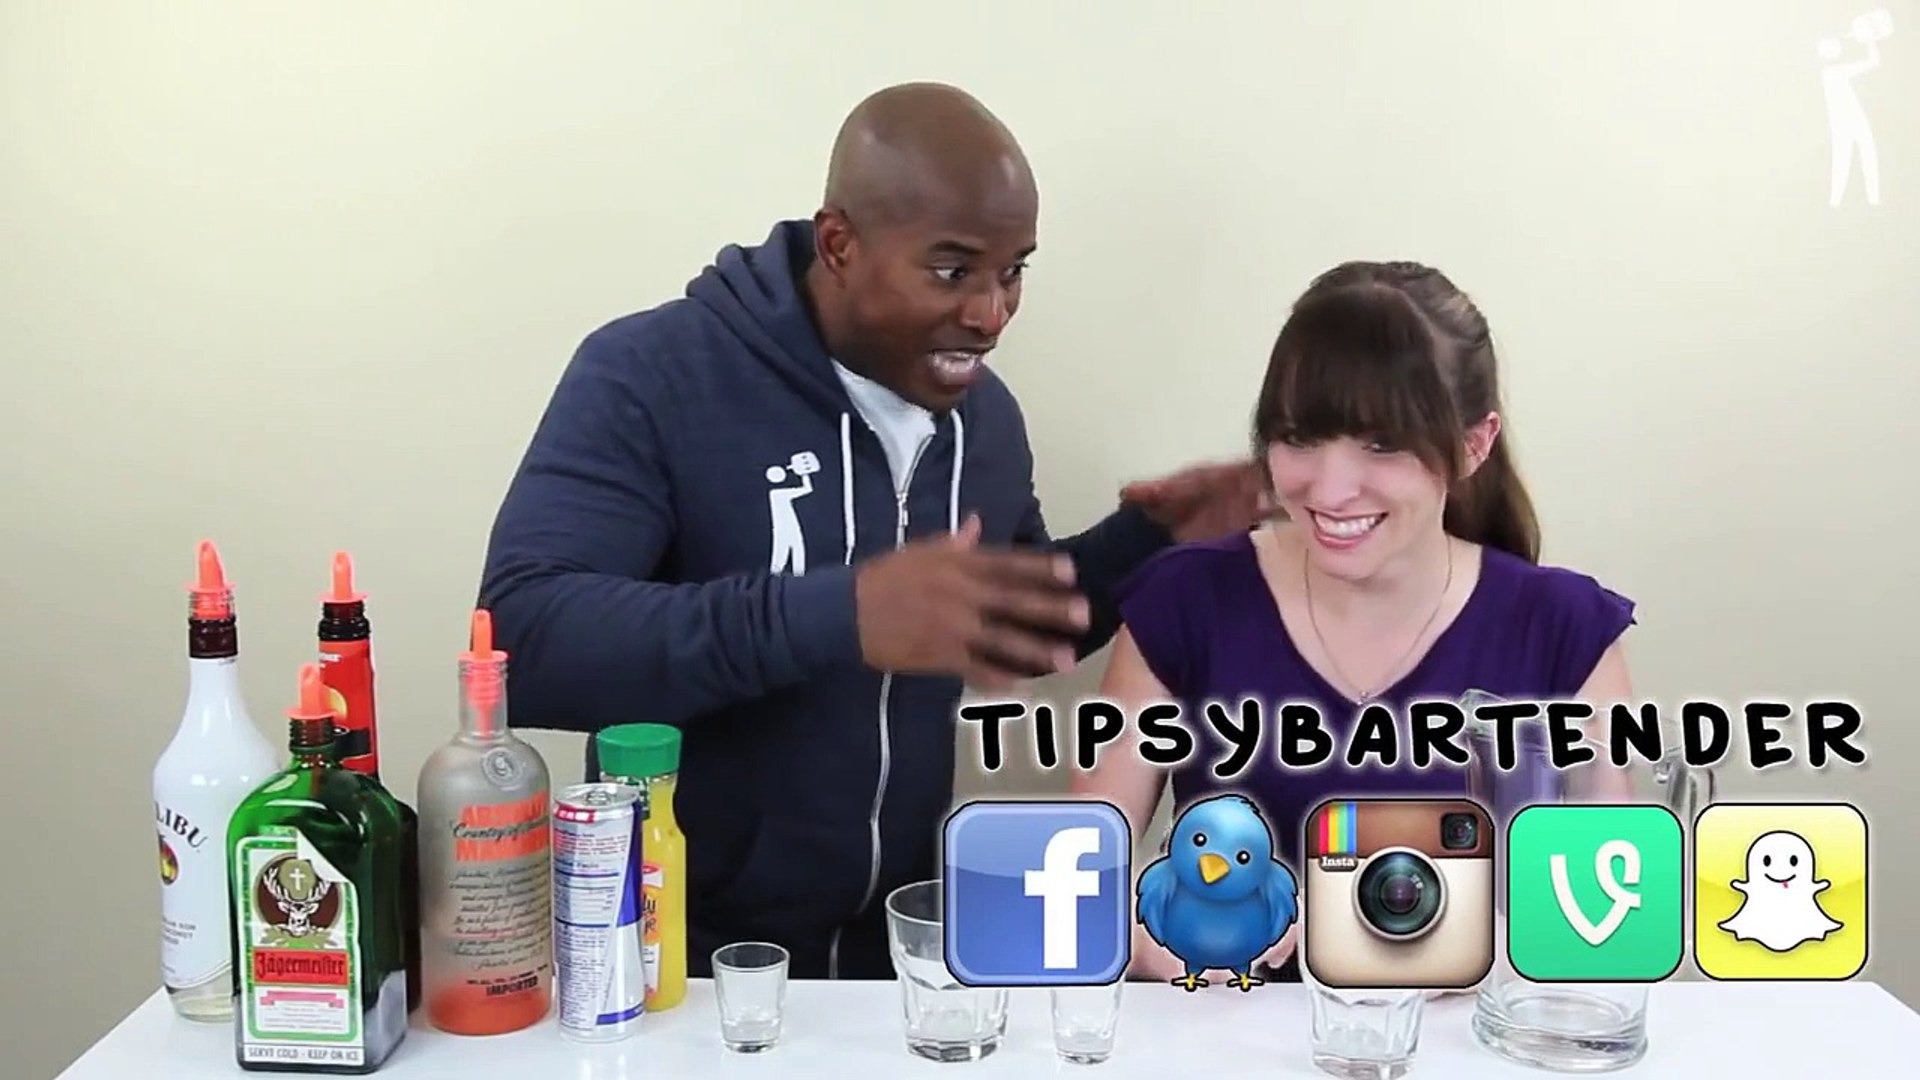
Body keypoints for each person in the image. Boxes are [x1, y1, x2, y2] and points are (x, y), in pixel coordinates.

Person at [476, 81, 1270, 981]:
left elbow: (1011, 627)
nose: (991, 314)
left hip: (895, 970)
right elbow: (525, 643)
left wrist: (1147, 543)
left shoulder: (983, 420)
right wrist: (839, 613)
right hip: (675, 969)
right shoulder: (653, 375)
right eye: (953, 270)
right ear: (840, 245)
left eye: (1013, 272)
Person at [1069, 259, 1639, 984]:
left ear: (1474, 443)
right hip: (1228, 1027)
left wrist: (1435, 946)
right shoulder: (1183, 601)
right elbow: (1081, 882)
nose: (1331, 490)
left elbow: (1607, 926)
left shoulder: (1564, 632)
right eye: (1299, 437)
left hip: (1468, 1034)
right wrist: (1155, 940)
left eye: (1382, 445)